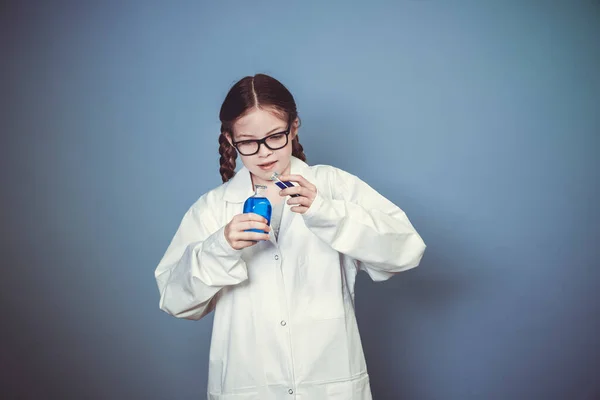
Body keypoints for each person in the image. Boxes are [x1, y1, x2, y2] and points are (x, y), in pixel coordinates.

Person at [154, 73, 426, 399]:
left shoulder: (333, 187)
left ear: (293, 127)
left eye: (274, 137)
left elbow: (406, 251)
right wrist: (220, 247)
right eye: (248, 142)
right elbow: (175, 299)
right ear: (230, 140)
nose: (264, 152)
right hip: (248, 385)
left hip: (329, 383)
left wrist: (327, 212)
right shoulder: (213, 208)